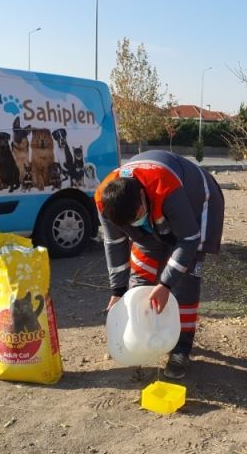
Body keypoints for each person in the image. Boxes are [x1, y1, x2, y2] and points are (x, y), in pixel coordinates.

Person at [95, 150, 224, 380]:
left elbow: (188, 239)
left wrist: (165, 284)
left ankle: (181, 350)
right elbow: (115, 242)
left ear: (143, 197)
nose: (135, 222)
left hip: (198, 205)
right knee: (140, 278)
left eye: (137, 216)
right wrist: (118, 291)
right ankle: (146, 336)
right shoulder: (105, 201)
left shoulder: (164, 187)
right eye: (129, 223)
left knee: (184, 282)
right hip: (156, 218)